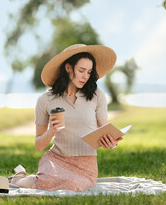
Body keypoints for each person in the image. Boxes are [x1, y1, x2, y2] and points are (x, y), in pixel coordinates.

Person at [10, 44, 123, 192]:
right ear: (68, 67)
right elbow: (39, 145)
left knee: (72, 186)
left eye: (89, 72)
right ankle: (20, 177)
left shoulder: (97, 95)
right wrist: (51, 131)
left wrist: (111, 143)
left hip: (86, 164)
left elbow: (103, 129)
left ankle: (33, 179)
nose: (85, 76)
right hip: (57, 159)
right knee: (46, 184)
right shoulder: (46, 100)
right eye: (81, 70)